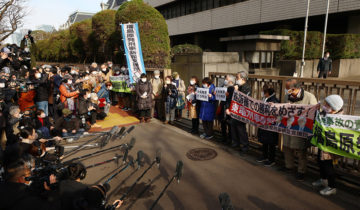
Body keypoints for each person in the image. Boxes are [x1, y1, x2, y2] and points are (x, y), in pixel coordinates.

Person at [283, 81, 317, 181]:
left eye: (289, 89)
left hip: (300, 127)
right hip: (289, 125)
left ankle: (301, 170)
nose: (287, 91)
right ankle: (288, 166)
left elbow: (314, 112)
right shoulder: (286, 96)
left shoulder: (309, 97)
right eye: (287, 89)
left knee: (301, 150)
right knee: (286, 146)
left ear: (297, 88)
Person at [312, 94, 343, 196]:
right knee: (320, 162)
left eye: (327, 104)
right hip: (322, 144)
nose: (324, 106)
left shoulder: (339, 119)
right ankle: (323, 180)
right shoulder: (325, 113)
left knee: (328, 166)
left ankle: (332, 186)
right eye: (325, 103)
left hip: (330, 147)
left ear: (334, 108)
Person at [256, 84, 279, 167]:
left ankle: (271, 159)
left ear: (267, 92)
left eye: (264, 91)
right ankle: (264, 156)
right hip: (264, 123)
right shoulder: (265, 99)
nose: (262, 93)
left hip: (271, 125)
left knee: (271, 143)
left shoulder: (275, 101)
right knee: (264, 141)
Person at [230, 71, 251, 152]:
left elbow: (245, 99)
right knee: (233, 126)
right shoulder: (238, 86)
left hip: (242, 111)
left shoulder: (247, 87)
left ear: (243, 79)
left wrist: (237, 91)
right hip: (236, 109)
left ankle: (245, 145)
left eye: (237, 78)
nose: (236, 79)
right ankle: (236, 142)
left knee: (241, 128)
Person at [218, 75, 235, 143]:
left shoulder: (232, 88)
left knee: (229, 124)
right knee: (223, 123)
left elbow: (231, 99)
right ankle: (224, 138)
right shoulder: (223, 86)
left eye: (226, 79)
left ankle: (230, 139)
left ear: (230, 81)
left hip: (228, 108)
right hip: (223, 106)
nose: (225, 80)